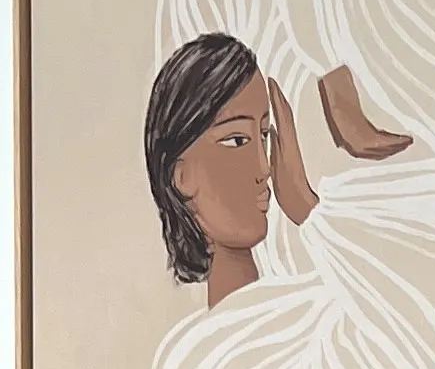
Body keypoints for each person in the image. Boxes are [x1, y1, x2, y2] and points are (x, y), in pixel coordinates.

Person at [144, 35, 414, 306]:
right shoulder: (208, 342)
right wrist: (308, 210)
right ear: (182, 177)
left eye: (263, 135)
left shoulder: (299, 305)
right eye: (237, 141)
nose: (264, 168)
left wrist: (306, 206)